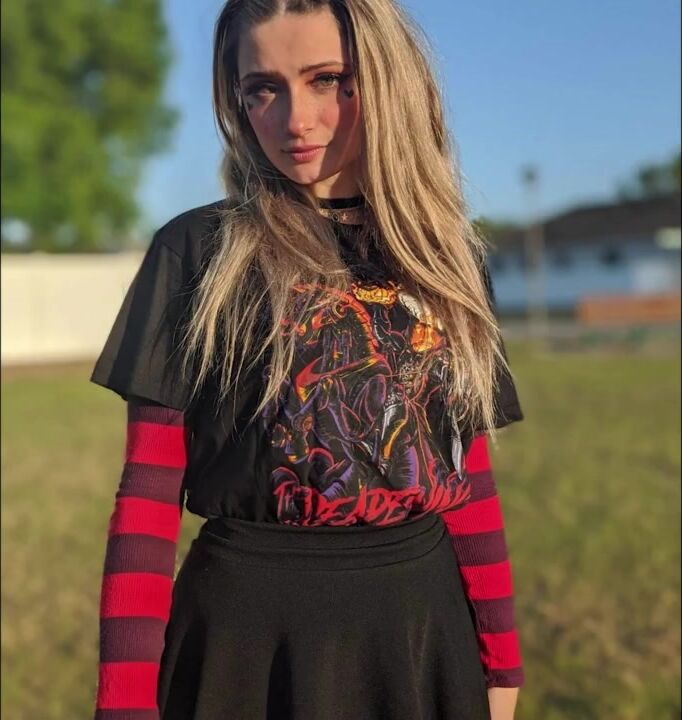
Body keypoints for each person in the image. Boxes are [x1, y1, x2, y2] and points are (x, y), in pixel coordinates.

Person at [90, 1, 525, 718]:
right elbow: (146, 497)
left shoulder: (445, 260)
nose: (295, 119)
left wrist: (500, 664)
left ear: (385, 79)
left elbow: (467, 473)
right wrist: (124, 705)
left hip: (419, 634)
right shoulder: (198, 252)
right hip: (245, 643)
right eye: (263, 88)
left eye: (328, 80)